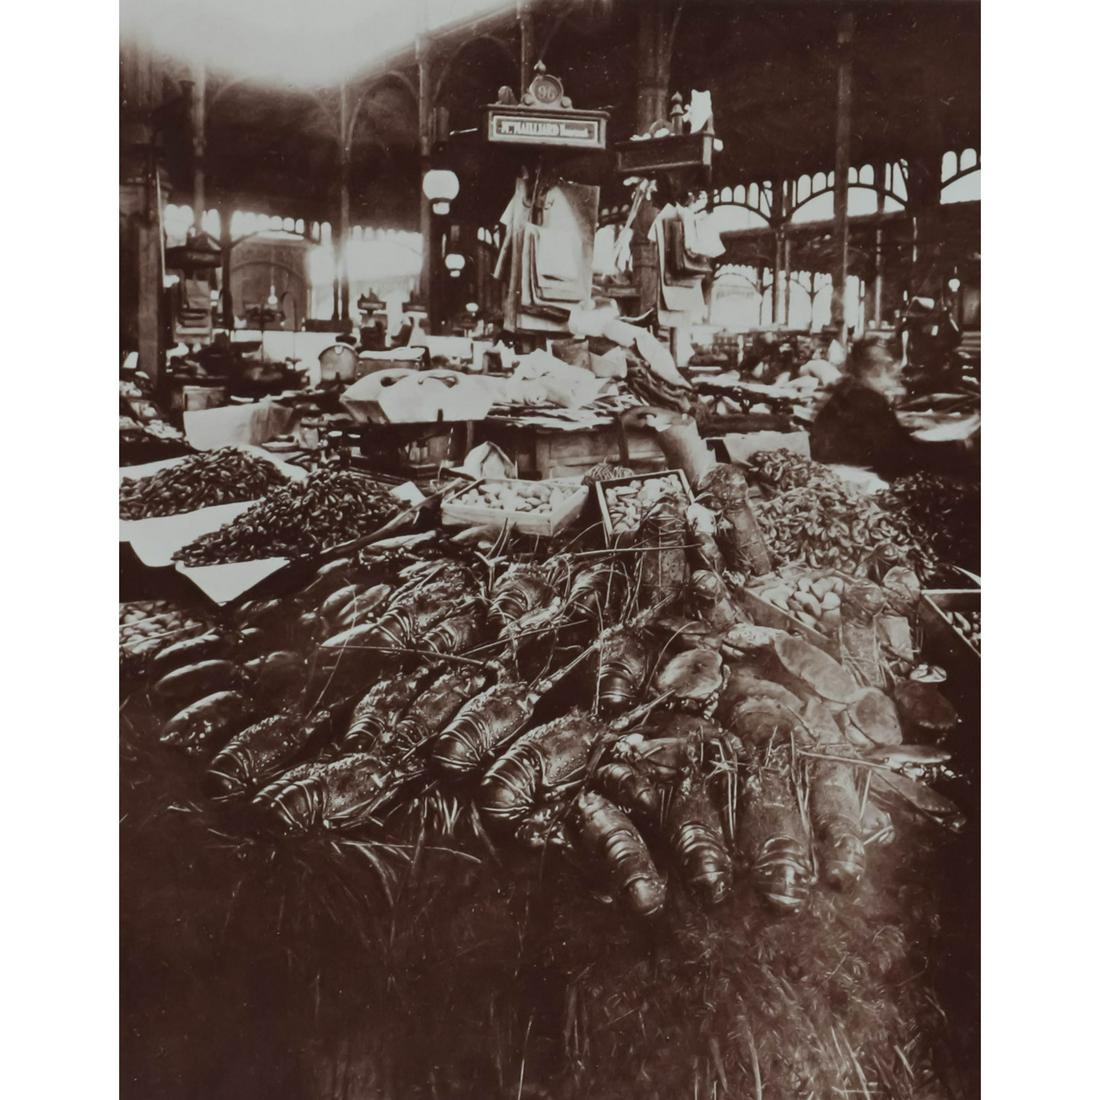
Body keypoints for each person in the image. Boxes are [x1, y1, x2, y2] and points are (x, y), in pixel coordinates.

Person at [809, 338, 974, 480]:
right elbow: (899, 457)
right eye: (888, 365)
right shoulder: (867, 400)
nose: (896, 369)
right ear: (874, 369)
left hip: (840, 469)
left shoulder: (849, 390)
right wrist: (957, 447)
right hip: (855, 478)